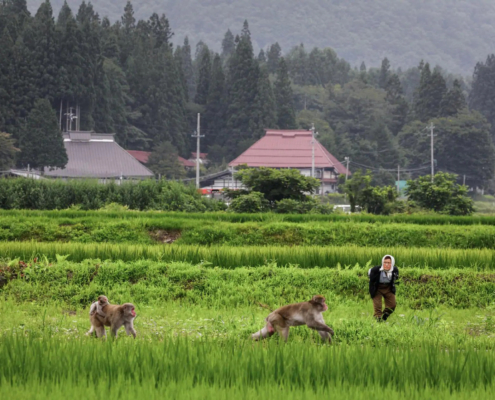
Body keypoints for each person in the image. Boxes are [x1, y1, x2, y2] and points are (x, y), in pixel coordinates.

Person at [368, 255, 399, 322]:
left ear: (392, 263)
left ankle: (384, 316)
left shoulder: (394, 270)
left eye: (389, 263)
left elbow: (395, 278)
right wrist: (372, 292)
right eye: (385, 262)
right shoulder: (376, 270)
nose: (386, 265)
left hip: (388, 288)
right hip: (377, 288)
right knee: (378, 306)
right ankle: (378, 320)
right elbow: (371, 280)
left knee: (392, 305)